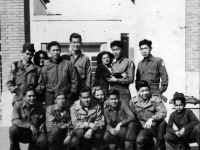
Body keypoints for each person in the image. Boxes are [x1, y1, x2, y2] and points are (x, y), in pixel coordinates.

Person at [129, 80, 167, 150]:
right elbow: (131, 115)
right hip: (143, 127)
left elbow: (163, 112)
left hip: (155, 127)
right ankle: (149, 143)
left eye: (146, 90)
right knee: (140, 140)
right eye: (142, 91)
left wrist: (152, 119)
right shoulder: (133, 101)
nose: (145, 93)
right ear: (138, 91)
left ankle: (160, 144)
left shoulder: (156, 99)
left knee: (163, 123)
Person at [9, 85, 47, 150]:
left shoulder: (41, 106)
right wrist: (29, 125)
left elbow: (46, 119)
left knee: (43, 139)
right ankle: (15, 148)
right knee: (13, 129)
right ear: (23, 97)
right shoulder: (18, 105)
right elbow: (14, 120)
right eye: (29, 96)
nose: (32, 98)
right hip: (22, 133)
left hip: (34, 133)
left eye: (34, 96)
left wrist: (43, 124)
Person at [42, 41, 79, 108]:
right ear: (49, 52)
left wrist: (71, 93)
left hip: (65, 94)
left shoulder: (68, 64)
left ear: (60, 51)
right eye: (53, 50)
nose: (56, 52)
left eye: (57, 50)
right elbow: (42, 82)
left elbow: (74, 80)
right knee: (50, 113)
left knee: (66, 115)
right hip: (50, 95)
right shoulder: (46, 66)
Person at [107, 40, 135, 105]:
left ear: (122, 50)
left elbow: (130, 79)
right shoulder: (112, 63)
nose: (115, 52)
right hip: (112, 93)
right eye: (113, 50)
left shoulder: (128, 62)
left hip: (123, 93)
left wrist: (117, 80)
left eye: (117, 49)